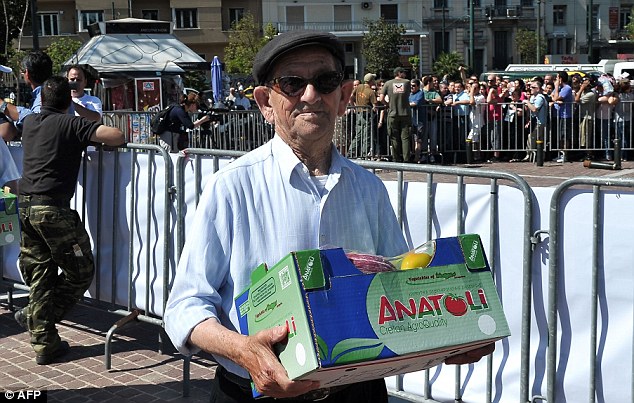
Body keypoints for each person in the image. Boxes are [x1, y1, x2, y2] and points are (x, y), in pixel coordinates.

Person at [164, 30, 493, 403]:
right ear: (264, 102)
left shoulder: (368, 187)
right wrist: (243, 350)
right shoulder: (231, 186)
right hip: (256, 392)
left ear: (344, 96)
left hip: (358, 391)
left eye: (325, 81)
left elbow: (400, 283)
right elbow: (185, 307)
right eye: (291, 83)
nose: (310, 95)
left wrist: (450, 332)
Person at [14, 76, 125, 365]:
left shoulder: (30, 123)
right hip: (52, 209)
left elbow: (16, 116)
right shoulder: (70, 124)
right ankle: (37, 320)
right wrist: (78, 115)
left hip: (25, 208)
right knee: (81, 271)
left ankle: (44, 341)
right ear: (69, 102)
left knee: (40, 276)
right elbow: (117, 136)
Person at [0, 50, 53, 141]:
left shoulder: (46, 96)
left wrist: (2, 105)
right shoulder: (54, 92)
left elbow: (37, 122)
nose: (1, 79)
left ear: (27, 74)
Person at [380, 67, 411, 162]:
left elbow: (381, 98)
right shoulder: (407, 82)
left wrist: (388, 105)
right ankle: (406, 159)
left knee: (394, 138)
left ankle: (396, 159)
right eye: (403, 72)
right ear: (399, 73)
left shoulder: (388, 83)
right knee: (405, 138)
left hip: (392, 113)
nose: (405, 74)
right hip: (405, 113)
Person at [348, 72, 377, 158]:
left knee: (358, 135)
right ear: (371, 81)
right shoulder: (371, 92)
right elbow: (375, 106)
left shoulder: (359, 87)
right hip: (367, 115)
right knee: (366, 136)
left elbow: (351, 97)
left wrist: (354, 106)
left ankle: (350, 152)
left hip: (359, 113)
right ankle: (364, 155)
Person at [523, 80, 549, 162]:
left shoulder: (540, 98)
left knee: (538, 139)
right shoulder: (532, 97)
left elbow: (534, 109)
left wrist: (527, 102)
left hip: (540, 122)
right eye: (530, 87)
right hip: (534, 121)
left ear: (538, 89)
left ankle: (538, 158)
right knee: (531, 139)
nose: (531, 89)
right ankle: (530, 156)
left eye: (533, 87)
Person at [551, 71, 574, 162]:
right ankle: (560, 154)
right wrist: (556, 98)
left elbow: (556, 98)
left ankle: (564, 155)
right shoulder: (560, 88)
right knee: (559, 136)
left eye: (557, 78)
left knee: (564, 136)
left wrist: (556, 88)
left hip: (565, 115)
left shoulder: (567, 88)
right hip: (558, 115)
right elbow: (552, 96)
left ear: (560, 79)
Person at [409, 78, 426, 162]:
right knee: (412, 139)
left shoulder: (420, 93)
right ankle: (413, 155)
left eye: (413, 86)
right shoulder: (409, 94)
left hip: (419, 121)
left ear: (418, 86)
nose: (411, 87)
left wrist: (406, 105)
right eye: (410, 86)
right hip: (411, 120)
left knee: (418, 140)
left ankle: (417, 157)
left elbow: (415, 103)